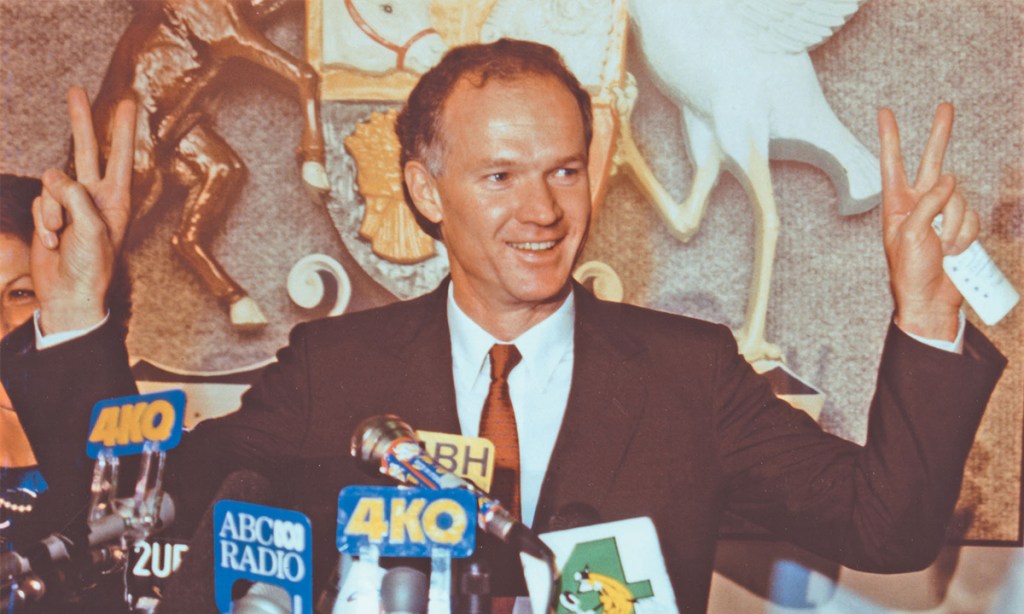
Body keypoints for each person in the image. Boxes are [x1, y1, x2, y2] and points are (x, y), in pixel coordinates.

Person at [0, 40, 1006, 612]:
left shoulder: (689, 375)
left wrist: (923, 310)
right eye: (500, 175)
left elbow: (888, 524)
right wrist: (80, 314)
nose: (545, 209)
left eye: (565, 168)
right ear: (425, 191)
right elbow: (126, 512)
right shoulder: (334, 370)